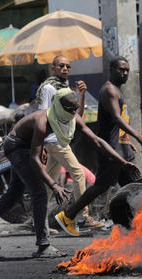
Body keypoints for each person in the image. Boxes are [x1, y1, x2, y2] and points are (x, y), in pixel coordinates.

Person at [0, 88, 138, 257]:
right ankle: (43, 245)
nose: (73, 112)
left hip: (29, 146)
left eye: (75, 108)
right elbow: (34, 159)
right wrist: (54, 184)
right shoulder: (42, 121)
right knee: (40, 192)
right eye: (69, 108)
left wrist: (122, 161)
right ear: (58, 106)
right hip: (17, 146)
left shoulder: (72, 117)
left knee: (15, 192)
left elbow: (97, 141)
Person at [55, 56, 142, 236]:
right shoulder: (109, 90)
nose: (125, 73)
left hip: (121, 147)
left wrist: (128, 141)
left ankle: (137, 224)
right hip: (111, 150)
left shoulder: (117, 90)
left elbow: (117, 123)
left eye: (127, 70)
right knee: (103, 185)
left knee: (135, 186)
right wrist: (139, 136)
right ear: (112, 70)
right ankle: (67, 216)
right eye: (121, 69)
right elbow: (116, 118)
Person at [36, 56, 103, 229]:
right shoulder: (49, 88)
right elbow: (42, 115)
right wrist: (41, 143)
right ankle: (83, 217)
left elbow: (76, 116)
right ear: (53, 68)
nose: (65, 68)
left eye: (68, 66)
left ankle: (39, 222)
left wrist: (82, 95)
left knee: (50, 184)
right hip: (54, 140)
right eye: (61, 66)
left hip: (60, 139)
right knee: (78, 174)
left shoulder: (65, 88)